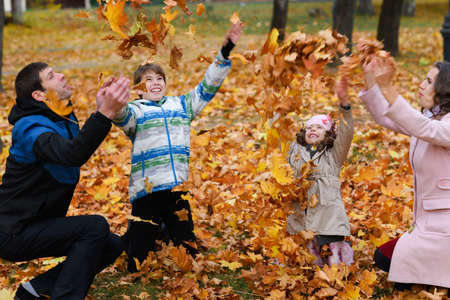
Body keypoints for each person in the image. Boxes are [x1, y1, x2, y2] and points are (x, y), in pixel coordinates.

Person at [113, 22, 243, 271]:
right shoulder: (136, 112)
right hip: (147, 191)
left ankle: (170, 234)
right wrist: (115, 100)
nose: (155, 83)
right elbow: (120, 116)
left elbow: (207, 87)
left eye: (159, 78)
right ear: (138, 89)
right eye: (147, 80)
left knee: (187, 251)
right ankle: (138, 240)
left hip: (176, 188)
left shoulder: (181, 106)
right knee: (137, 257)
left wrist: (225, 50)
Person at [0, 62, 130, 299]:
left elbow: (74, 148)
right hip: (12, 232)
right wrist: (105, 114)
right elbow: (72, 154)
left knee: (110, 244)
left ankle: (33, 292)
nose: (60, 75)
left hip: (35, 224)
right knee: (95, 226)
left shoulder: (57, 120)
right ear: (39, 95)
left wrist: (100, 109)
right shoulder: (30, 129)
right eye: (51, 75)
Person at [360, 57, 450, 289]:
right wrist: (370, 77)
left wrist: (389, 87)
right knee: (385, 258)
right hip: (428, 224)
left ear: (445, 90)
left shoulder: (443, 125)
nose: (422, 85)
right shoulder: (430, 119)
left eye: (429, 81)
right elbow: (386, 116)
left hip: (444, 228)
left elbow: (423, 127)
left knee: (399, 270)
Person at [286, 77, 354, 267]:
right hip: (301, 208)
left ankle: (336, 273)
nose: (312, 130)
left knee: (331, 250)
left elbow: (346, 134)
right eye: (309, 127)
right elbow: (279, 137)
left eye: (318, 127)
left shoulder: (333, 155)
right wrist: (280, 108)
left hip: (327, 212)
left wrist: (345, 108)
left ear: (328, 133)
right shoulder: (295, 150)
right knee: (305, 251)